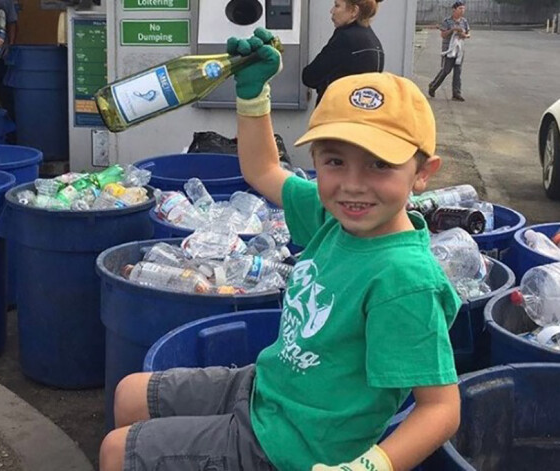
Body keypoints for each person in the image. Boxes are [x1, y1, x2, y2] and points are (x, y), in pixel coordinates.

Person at [99, 28, 462, 471]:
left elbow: (440, 409)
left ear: (423, 173)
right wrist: (253, 96)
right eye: (334, 161)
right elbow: (263, 169)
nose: (352, 183)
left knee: (116, 452)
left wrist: (370, 466)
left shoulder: (404, 280)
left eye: (380, 164)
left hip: (289, 449)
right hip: (267, 388)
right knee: (129, 394)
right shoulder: (337, 218)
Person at [302, 0, 384, 105]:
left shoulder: (345, 38)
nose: (332, 11)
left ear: (354, 11)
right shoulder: (374, 42)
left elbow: (310, 76)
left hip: (338, 113)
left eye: (337, 6)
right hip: (363, 114)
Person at [428, 0, 471, 102]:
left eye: (463, 9)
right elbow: (443, 35)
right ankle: (433, 86)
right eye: (460, 8)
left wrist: (464, 35)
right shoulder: (447, 21)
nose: (462, 11)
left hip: (459, 49)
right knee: (446, 70)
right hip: (448, 49)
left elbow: (469, 34)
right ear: (454, 10)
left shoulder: (464, 21)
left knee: (458, 71)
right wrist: (452, 30)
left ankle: (456, 93)